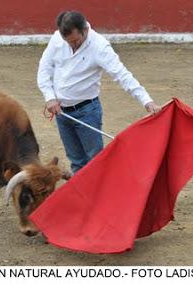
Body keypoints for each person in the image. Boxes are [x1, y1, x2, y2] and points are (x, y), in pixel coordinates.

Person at [37, 11, 161, 173]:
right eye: (68, 42)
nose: (72, 45)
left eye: (75, 40)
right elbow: (44, 69)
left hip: (87, 112)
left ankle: (102, 196)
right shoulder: (57, 40)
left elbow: (122, 75)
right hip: (62, 113)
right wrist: (50, 97)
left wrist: (147, 101)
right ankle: (85, 198)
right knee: (76, 161)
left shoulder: (99, 46)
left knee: (95, 161)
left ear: (84, 30)